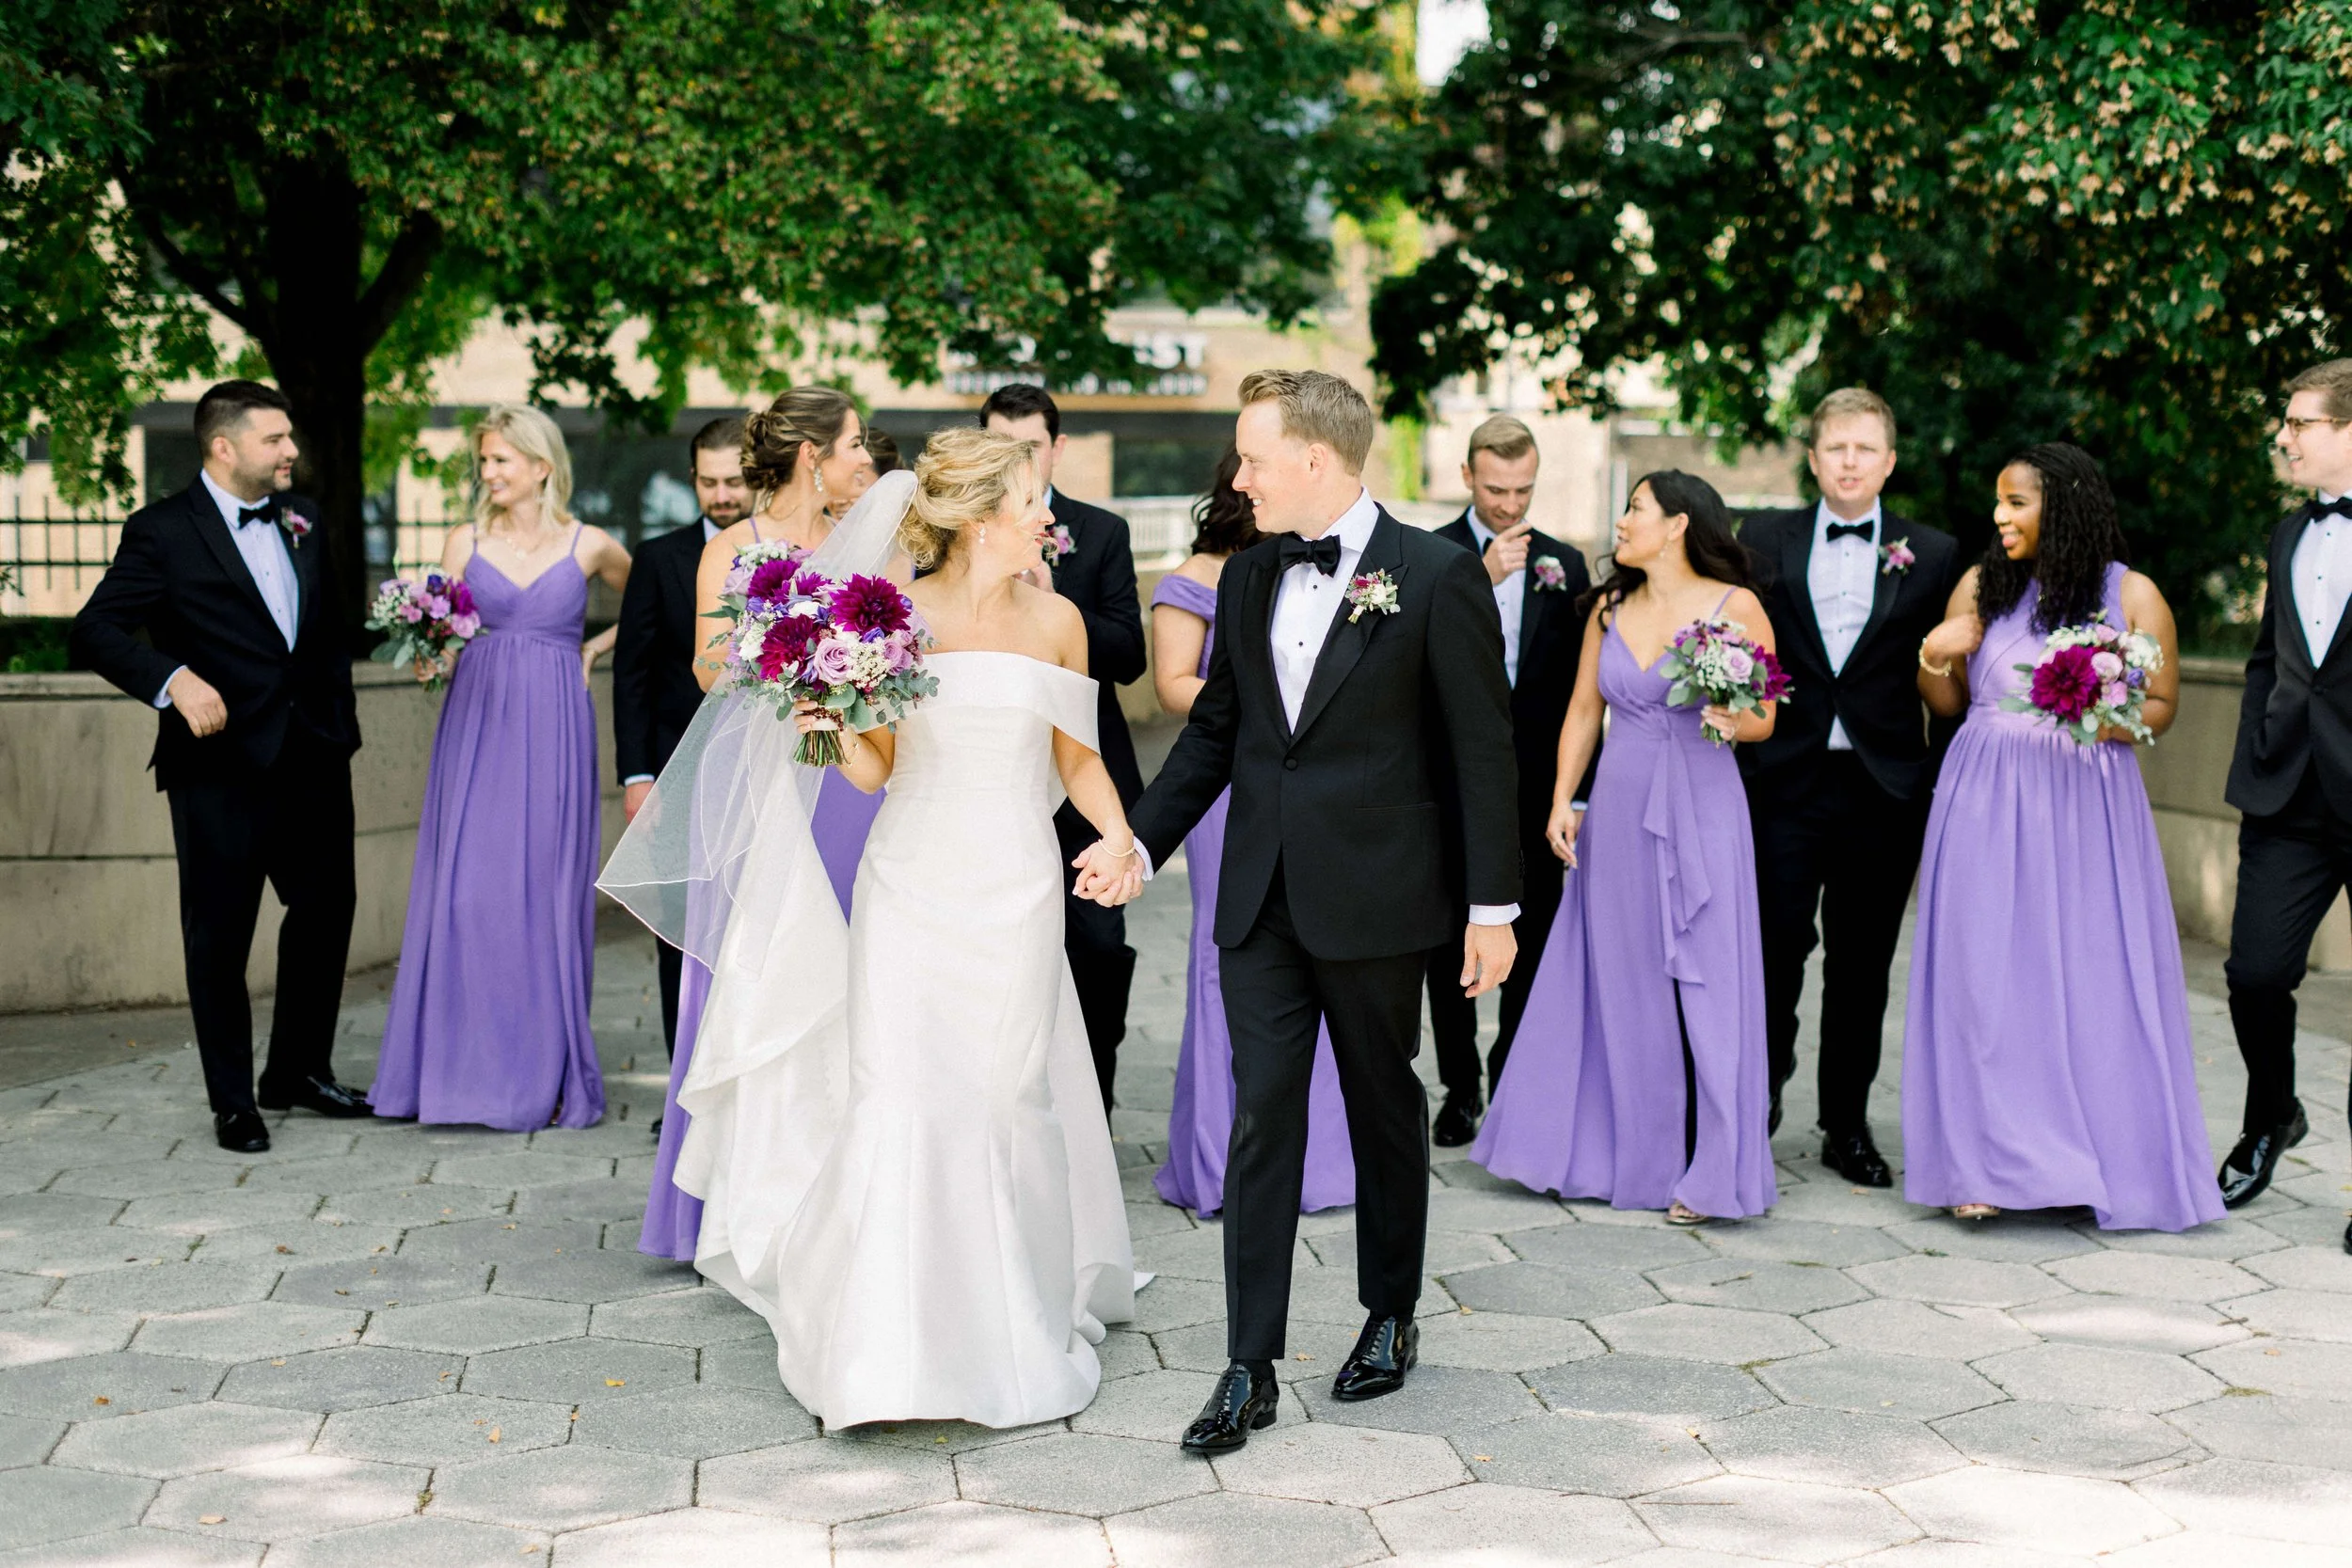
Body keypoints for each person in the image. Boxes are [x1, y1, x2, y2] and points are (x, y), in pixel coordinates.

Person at [607, 429, 1136, 1428]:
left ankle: (1004, 1322)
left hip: (1016, 886)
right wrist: (824, 716)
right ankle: (882, 1346)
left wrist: (1119, 836)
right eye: (1031, 501)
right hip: (909, 885)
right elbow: (872, 769)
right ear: (981, 519)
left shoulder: (1062, 620)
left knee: (1003, 1096)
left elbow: (1078, 757)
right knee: (898, 1094)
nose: (1047, 517)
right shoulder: (895, 617)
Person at [1086, 370, 1519, 1452]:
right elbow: (1215, 734)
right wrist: (1138, 839)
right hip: (1260, 900)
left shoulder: (1435, 575)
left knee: (1383, 1106)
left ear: (1314, 459)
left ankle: (1391, 1310)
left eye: (1252, 456)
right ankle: (1249, 1364)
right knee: (1261, 1116)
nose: (1238, 476)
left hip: (1380, 898)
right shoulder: (1247, 574)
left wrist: (1492, 907)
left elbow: (1482, 751)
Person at [1906, 442, 2220, 1230]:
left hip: (2085, 803)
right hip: (1983, 796)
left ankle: (2089, 1159)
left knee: (2086, 976)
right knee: (1984, 979)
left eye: (2016, 502)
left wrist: (2100, 712)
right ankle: (1981, 1164)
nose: (1999, 516)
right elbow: (1947, 703)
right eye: (1999, 501)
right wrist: (1934, 655)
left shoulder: (2132, 594)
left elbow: (2162, 706)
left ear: (2066, 505)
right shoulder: (1981, 585)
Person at [1471, 471, 1780, 1227]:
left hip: (1703, 806)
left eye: (1635, 508)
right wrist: (1563, 798)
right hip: (1618, 804)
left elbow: (1766, 716)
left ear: (1677, 524)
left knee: (1711, 981)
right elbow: (1584, 710)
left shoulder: (1735, 606)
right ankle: (1630, 1160)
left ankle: (1717, 1170)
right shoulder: (1610, 607)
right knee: (1621, 977)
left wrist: (1731, 716)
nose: (1621, 520)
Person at [70, 380, 369, 1153]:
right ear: (223, 446)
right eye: (275, 439)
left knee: (326, 911)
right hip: (219, 768)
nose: (292, 450)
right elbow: (95, 629)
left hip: (313, 754)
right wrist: (172, 680)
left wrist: (347, 707)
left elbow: (324, 630)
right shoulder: (161, 531)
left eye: (289, 436)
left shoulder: (305, 519)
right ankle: (234, 1101)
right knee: (220, 936)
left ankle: (297, 1070)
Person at [637, 390, 897, 1261]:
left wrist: (851, 666)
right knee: (766, 962)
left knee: (851, 959)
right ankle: (751, 1197)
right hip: (767, 781)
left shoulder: (872, 541)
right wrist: (788, 654)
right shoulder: (732, 548)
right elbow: (708, 667)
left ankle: (847, 1194)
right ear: (813, 457)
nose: (865, 458)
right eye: (853, 444)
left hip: (851, 777)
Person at [373, 404, 631, 1131]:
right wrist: (431, 654)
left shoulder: (590, 544)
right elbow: (444, 631)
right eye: (483, 460)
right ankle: (458, 1072)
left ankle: (539, 1074)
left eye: (500, 460)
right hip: (479, 722)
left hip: (555, 725)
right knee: (467, 894)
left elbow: (661, 597)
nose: (486, 472)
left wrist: (596, 645)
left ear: (541, 467)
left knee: (543, 896)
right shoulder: (465, 540)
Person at [1737, 388, 1963, 1185]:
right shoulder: (1763, 538)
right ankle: (1757, 1101)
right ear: (1812, 457)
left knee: (1863, 964)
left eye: (1865, 448)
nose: (1850, 462)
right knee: (1773, 948)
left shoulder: (1933, 552)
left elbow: (1951, 671)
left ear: (1889, 461)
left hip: (1883, 787)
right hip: (1783, 780)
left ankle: (1846, 1124)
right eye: (1836, 447)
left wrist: (1939, 781)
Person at [1151, 447, 1355, 1216]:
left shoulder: (1313, 569)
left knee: (1317, 951)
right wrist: (1269, 700)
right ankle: (1220, 1156)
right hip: (1228, 784)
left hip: (1311, 790)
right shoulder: (1197, 578)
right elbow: (1172, 686)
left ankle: (1318, 1159)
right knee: (1226, 955)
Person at [1425, 414, 1595, 1147]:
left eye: (1523, 490)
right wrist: (1481, 578)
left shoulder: (1566, 563)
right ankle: (1460, 1087)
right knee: (1446, 939)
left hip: (1535, 788)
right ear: (1468, 475)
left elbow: (1583, 692)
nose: (1510, 505)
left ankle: (1512, 1077)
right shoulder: (1431, 555)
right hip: (1445, 784)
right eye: (1496, 489)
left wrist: (1574, 794)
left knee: (1534, 932)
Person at [983, 384, 1147, 1116]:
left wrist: (1054, 604)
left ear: (1058, 448)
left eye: (1029, 446)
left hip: (1082, 775)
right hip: (993, 777)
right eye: (1001, 446)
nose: (1017, 460)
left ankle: (1093, 1101)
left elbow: (1129, 655)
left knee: (1097, 947)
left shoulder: (1101, 531)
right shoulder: (958, 535)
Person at [2217, 361, 2352, 1246]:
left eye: (2302, 423)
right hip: (2287, 790)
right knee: (2255, 974)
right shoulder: (2287, 533)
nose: (2286, 436)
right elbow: (2272, 656)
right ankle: (2273, 1112)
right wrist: (2254, 753)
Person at [614, 417, 747, 1061]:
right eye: (709, 482)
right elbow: (633, 673)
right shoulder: (658, 557)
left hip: (762, 770)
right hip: (678, 769)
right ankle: (682, 1080)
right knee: (681, 929)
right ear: (693, 480)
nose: (722, 495)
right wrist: (639, 775)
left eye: (734, 481)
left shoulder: (793, 552)